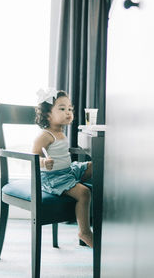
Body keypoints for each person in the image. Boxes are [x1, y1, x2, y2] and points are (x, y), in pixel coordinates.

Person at [32, 88, 93, 248]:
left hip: (68, 171)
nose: (68, 112)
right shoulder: (45, 135)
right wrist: (44, 162)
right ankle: (84, 232)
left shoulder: (61, 132)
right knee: (84, 193)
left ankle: (106, 219)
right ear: (47, 114)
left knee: (94, 167)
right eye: (62, 108)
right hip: (54, 178)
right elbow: (34, 157)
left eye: (70, 109)